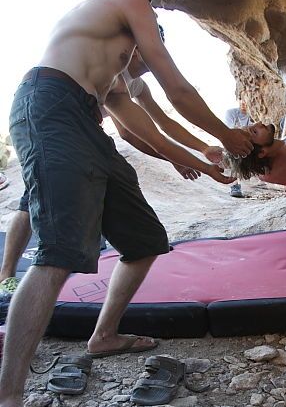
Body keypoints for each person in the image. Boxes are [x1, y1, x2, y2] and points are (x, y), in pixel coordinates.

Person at [0, 0, 252, 407]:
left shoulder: (111, 71)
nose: (154, 9)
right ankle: (7, 402)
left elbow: (145, 131)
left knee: (142, 240)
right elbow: (177, 88)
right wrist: (229, 139)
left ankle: (104, 336)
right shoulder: (126, 0)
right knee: (59, 253)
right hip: (49, 105)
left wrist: (206, 164)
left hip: (85, 125)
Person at [0, 25, 224, 295]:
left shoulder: (137, 86)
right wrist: (193, 164)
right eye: (153, 47)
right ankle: (7, 275)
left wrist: (202, 148)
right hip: (52, 116)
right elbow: (140, 135)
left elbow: (159, 125)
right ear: (138, 48)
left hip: (84, 129)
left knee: (44, 191)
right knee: (33, 195)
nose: (157, 56)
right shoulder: (111, 68)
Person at [223, 99, 252, 198]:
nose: (244, 103)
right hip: (234, 143)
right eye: (241, 99)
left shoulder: (253, 114)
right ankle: (235, 184)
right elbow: (228, 132)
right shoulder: (231, 113)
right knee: (233, 153)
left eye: (246, 100)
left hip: (248, 144)